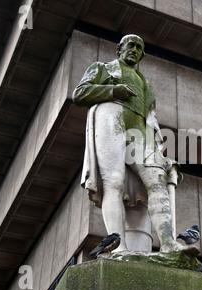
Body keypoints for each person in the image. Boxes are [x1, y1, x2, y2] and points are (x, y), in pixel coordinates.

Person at [73, 34, 186, 253]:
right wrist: (113, 91)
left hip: (141, 133)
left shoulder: (146, 84)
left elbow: (151, 119)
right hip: (111, 119)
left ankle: (168, 243)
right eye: (130, 46)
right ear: (119, 49)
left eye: (139, 48)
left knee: (157, 182)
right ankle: (119, 248)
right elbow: (80, 93)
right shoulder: (102, 68)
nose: (134, 50)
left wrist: (162, 153)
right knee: (113, 182)